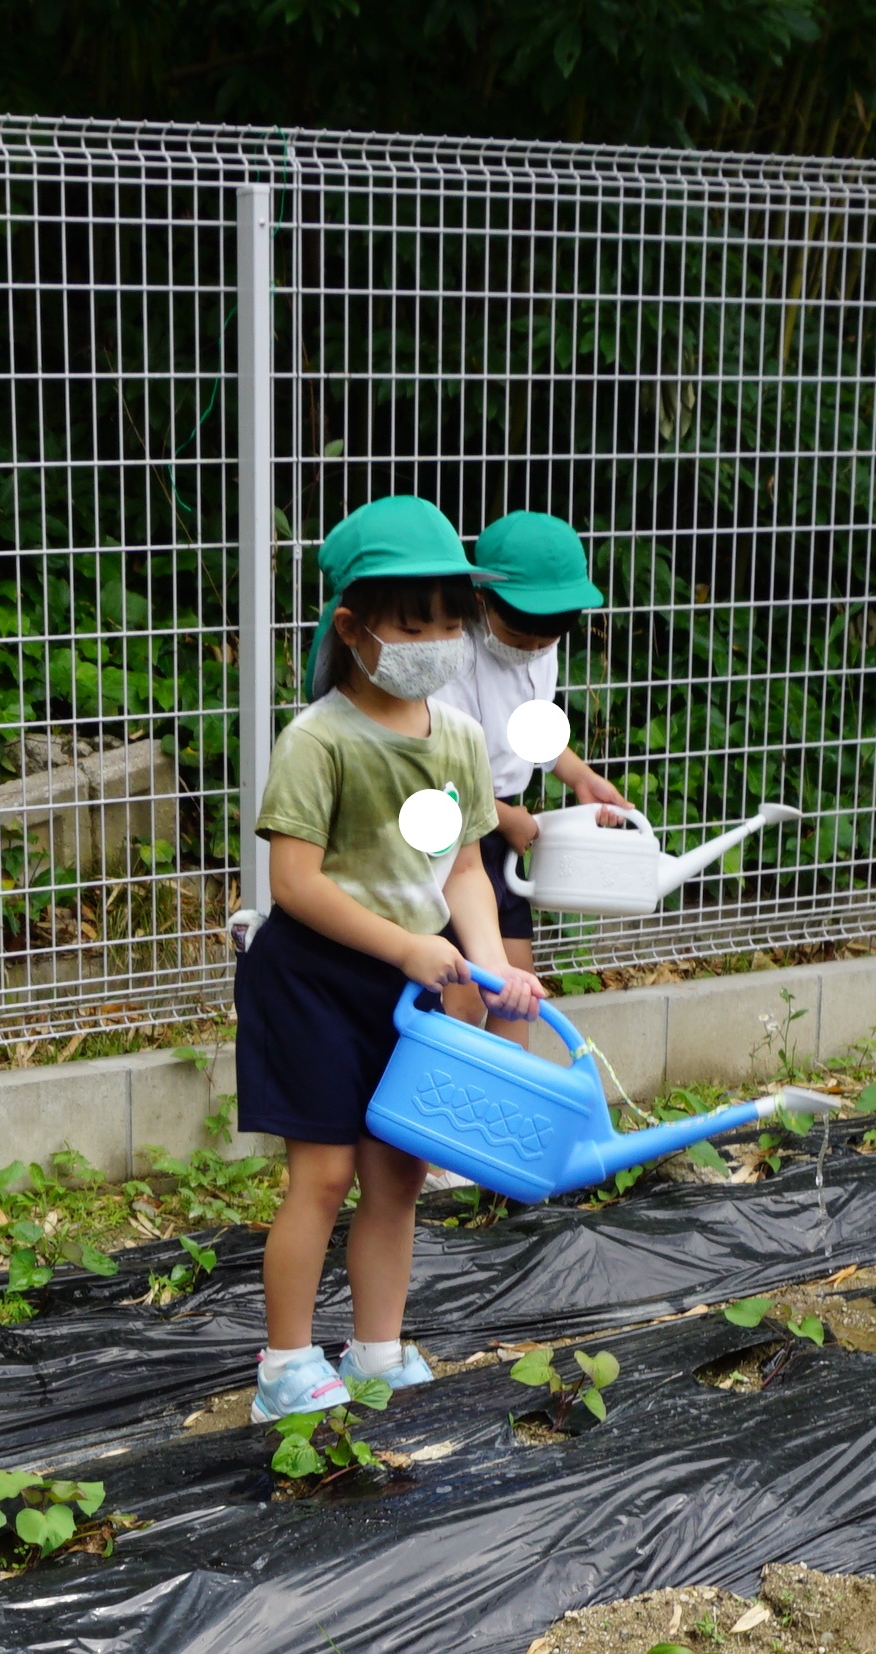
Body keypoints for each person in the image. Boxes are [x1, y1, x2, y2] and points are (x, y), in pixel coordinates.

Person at [236, 495, 533, 1422]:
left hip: (411, 984)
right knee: (321, 1176)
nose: (437, 638)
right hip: (312, 979)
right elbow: (295, 884)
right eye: (414, 621)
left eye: (451, 618)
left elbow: (464, 871)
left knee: (396, 1176)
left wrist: (487, 964)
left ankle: (375, 1348)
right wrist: (411, 947)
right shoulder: (316, 738)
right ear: (353, 627)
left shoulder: (459, 740)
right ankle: (285, 1365)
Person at [444, 512, 646, 992]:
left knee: (518, 987)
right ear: (480, 601)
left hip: (503, 829)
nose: (533, 649)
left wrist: (578, 775)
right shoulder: (454, 657)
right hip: (453, 832)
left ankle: (514, 1068)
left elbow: (531, 726)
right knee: (464, 993)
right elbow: (437, 775)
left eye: (547, 640)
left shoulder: (538, 648)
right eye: (520, 638)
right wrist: (506, 819)